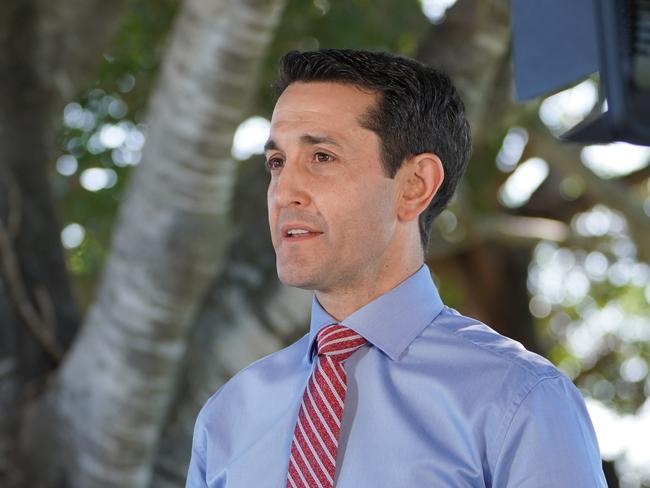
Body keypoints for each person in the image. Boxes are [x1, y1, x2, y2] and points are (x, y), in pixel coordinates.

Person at [186, 49, 607, 487]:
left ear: (414, 186)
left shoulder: (520, 400)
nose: (283, 192)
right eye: (277, 163)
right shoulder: (227, 417)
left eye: (322, 157)